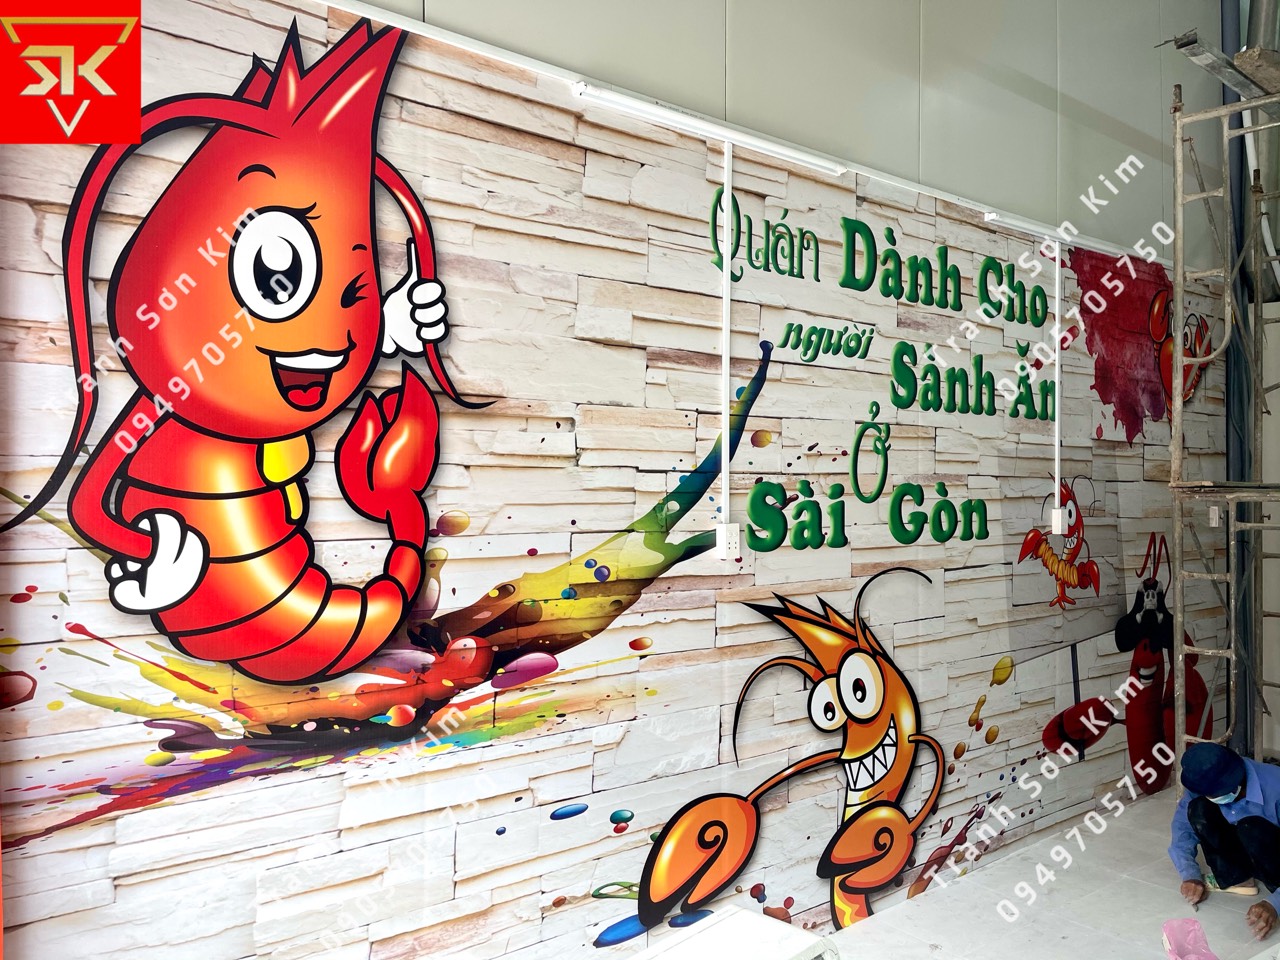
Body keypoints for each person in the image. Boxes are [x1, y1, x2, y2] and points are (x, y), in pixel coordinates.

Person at [1169, 741, 1280, 940]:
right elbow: (1181, 830)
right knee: (1198, 808)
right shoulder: (1203, 784)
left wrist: (1276, 904)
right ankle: (1238, 878)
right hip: (1249, 849)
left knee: (1251, 827)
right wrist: (1190, 875)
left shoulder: (1275, 786)